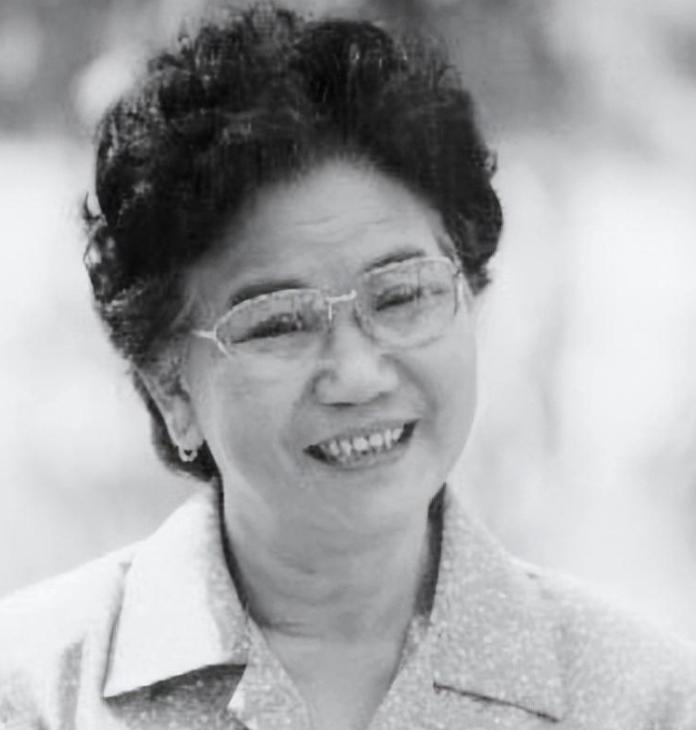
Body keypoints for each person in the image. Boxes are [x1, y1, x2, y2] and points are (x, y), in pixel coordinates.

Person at [1, 4, 695, 729]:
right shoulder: (35, 694)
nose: (358, 375)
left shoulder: (642, 701)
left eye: (402, 296)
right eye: (277, 323)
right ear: (170, 388)